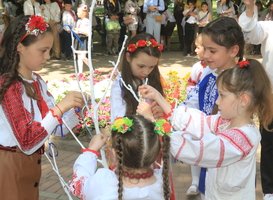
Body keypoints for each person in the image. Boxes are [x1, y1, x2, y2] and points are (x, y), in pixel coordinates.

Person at [138, 58, 273, 200]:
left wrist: (153, 122)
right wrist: (158, 98)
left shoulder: (244, 138)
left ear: (243, 100)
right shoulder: (224, 122)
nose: (217, 101)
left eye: (222, 95)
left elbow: (199, 151)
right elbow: (197, 122)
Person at [0, 15, 84, 199]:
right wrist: (61, 108)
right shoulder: (9, 86)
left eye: (49, 50)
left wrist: (76, 110)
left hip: (31, 166)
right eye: (43, 50)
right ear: (20, 47)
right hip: (8, 167)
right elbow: (28, 140)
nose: (48, 56)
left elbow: (54, 128)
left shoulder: (37, 81)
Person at [69, 115, 171, 199]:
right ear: (158, 152)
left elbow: (78, 184)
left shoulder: (104, 183)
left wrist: (91, 151)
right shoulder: (165, 182)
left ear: (114, 153)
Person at [239, 1, 273, 199]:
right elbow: (251, 32)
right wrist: (250, 8)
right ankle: (269, 190)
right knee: (269, 142)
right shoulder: (268, 27)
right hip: (271, 96)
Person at [110, 32, 164, 122]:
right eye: (141, 66)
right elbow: (118, 122)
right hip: (134, 133)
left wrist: (160, 111)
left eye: (152, 67)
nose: (146, 72)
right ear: (128, 57)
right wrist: (147, 116)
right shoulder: (119, 85)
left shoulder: (152, 79)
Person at [74, 4, 90, 73]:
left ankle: (92, 68)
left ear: (83, 13)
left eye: (78, 12)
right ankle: (80, 72)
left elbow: (88, 32)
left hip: (83, 40)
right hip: (78, 39)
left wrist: (79, 31)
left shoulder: (87, 21)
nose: (77, 13)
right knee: (79, 57)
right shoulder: (78, 21)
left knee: (83, 57)